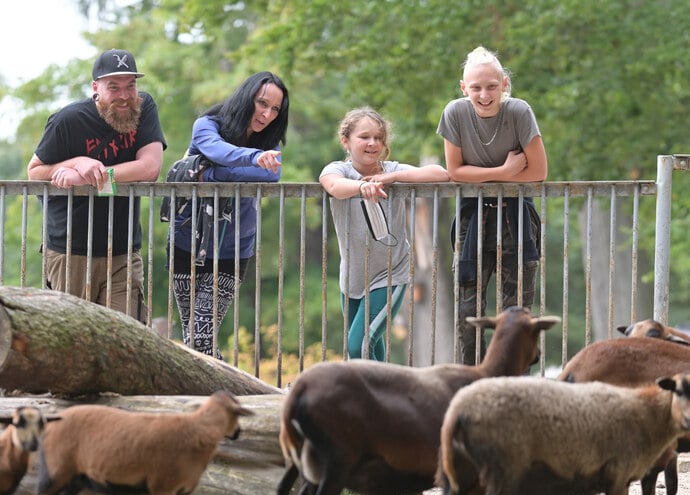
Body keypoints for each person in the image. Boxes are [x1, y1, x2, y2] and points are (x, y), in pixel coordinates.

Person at [28, 49, 166, 321]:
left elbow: (150, 169)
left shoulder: (144, 107)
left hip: (123, 251)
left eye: (131, 86)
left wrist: (86, 177)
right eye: (113, 87)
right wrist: (77, 162)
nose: (125, 96)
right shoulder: (67, 120)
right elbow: (34, 172)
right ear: (96, 88)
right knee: (73, 341)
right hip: (71, 252)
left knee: (128, 341)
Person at [437, 46, 548, 365]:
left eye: (491, 86)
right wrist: (504, 173)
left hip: (517, 218)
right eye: (476, 88)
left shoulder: (519, 112)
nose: (484, 95)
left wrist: (481, 177)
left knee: (516, 309)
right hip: (473, 218)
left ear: (504, 84)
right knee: (467, 308)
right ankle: (472, 376)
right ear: (463, 88)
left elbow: (539, 172)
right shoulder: (455, 112)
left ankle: (515, 378)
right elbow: (456, 172)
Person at [167, 71, 289, 359]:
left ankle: (231, 398)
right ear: (246, 98)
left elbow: (272, 174)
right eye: (262, 103)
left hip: (233, 250)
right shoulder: (206, 124)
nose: (267, 114)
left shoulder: (269, 142)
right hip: (188, 242)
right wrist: (251, 160)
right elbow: (218, 150)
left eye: (275, 109)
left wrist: (207, 173)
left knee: (200, 338)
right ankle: (217, 400)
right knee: (195, 341)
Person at [320, 107, 450, 361]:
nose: (372, 143)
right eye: (365, 137)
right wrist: (362, 186)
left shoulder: (392, 169)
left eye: (378, 138)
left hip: (390, 273)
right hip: (353, 277)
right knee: (370, 346)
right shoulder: (339, 170)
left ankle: (379, 398)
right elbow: (333, 186)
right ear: (345, 141)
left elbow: (441, 174)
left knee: (358, 345)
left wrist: (392, 177)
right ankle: (388, 398)